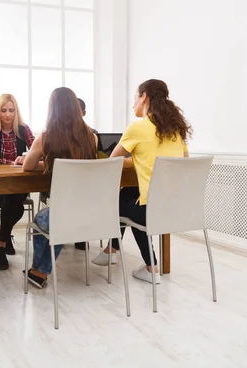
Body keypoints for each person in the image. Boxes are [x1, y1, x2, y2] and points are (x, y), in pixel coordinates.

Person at [91, 79, 191, 284]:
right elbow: (182, 163)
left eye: (135, 98)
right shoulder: (177, 131)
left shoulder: (138, 128)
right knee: (128, 194)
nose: (133, 103)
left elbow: (112, 162)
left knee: (118, 204)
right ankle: (111, 250)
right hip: (177, 209)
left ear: (144, 96)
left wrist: (135, 158)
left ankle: (150, 266)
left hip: (151, 211)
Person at [22, 87, 98, 288]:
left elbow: (27, 166)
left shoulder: (46, 137)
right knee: (56, 219)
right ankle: (37, 272)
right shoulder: (92, 137)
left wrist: (47, 163)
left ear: (52, 109)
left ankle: (40, 270)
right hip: (89, 212)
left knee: (43, 219)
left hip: (62, 215)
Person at [0, 94, 35, 270]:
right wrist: (4, 162)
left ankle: (1, 244)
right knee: (13, 204)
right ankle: (4, 242)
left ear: (16, 111)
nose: (8, 114)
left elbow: (38, 150)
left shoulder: (23, 129)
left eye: (11, 110)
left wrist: (26, 157)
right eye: (4, 110)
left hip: (18, 184)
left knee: (12, 200)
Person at [73, 97, 98, 251]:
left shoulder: (92, 134)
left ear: (84, 113)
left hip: (84, 183)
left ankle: (80, 233)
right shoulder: (55, 134)